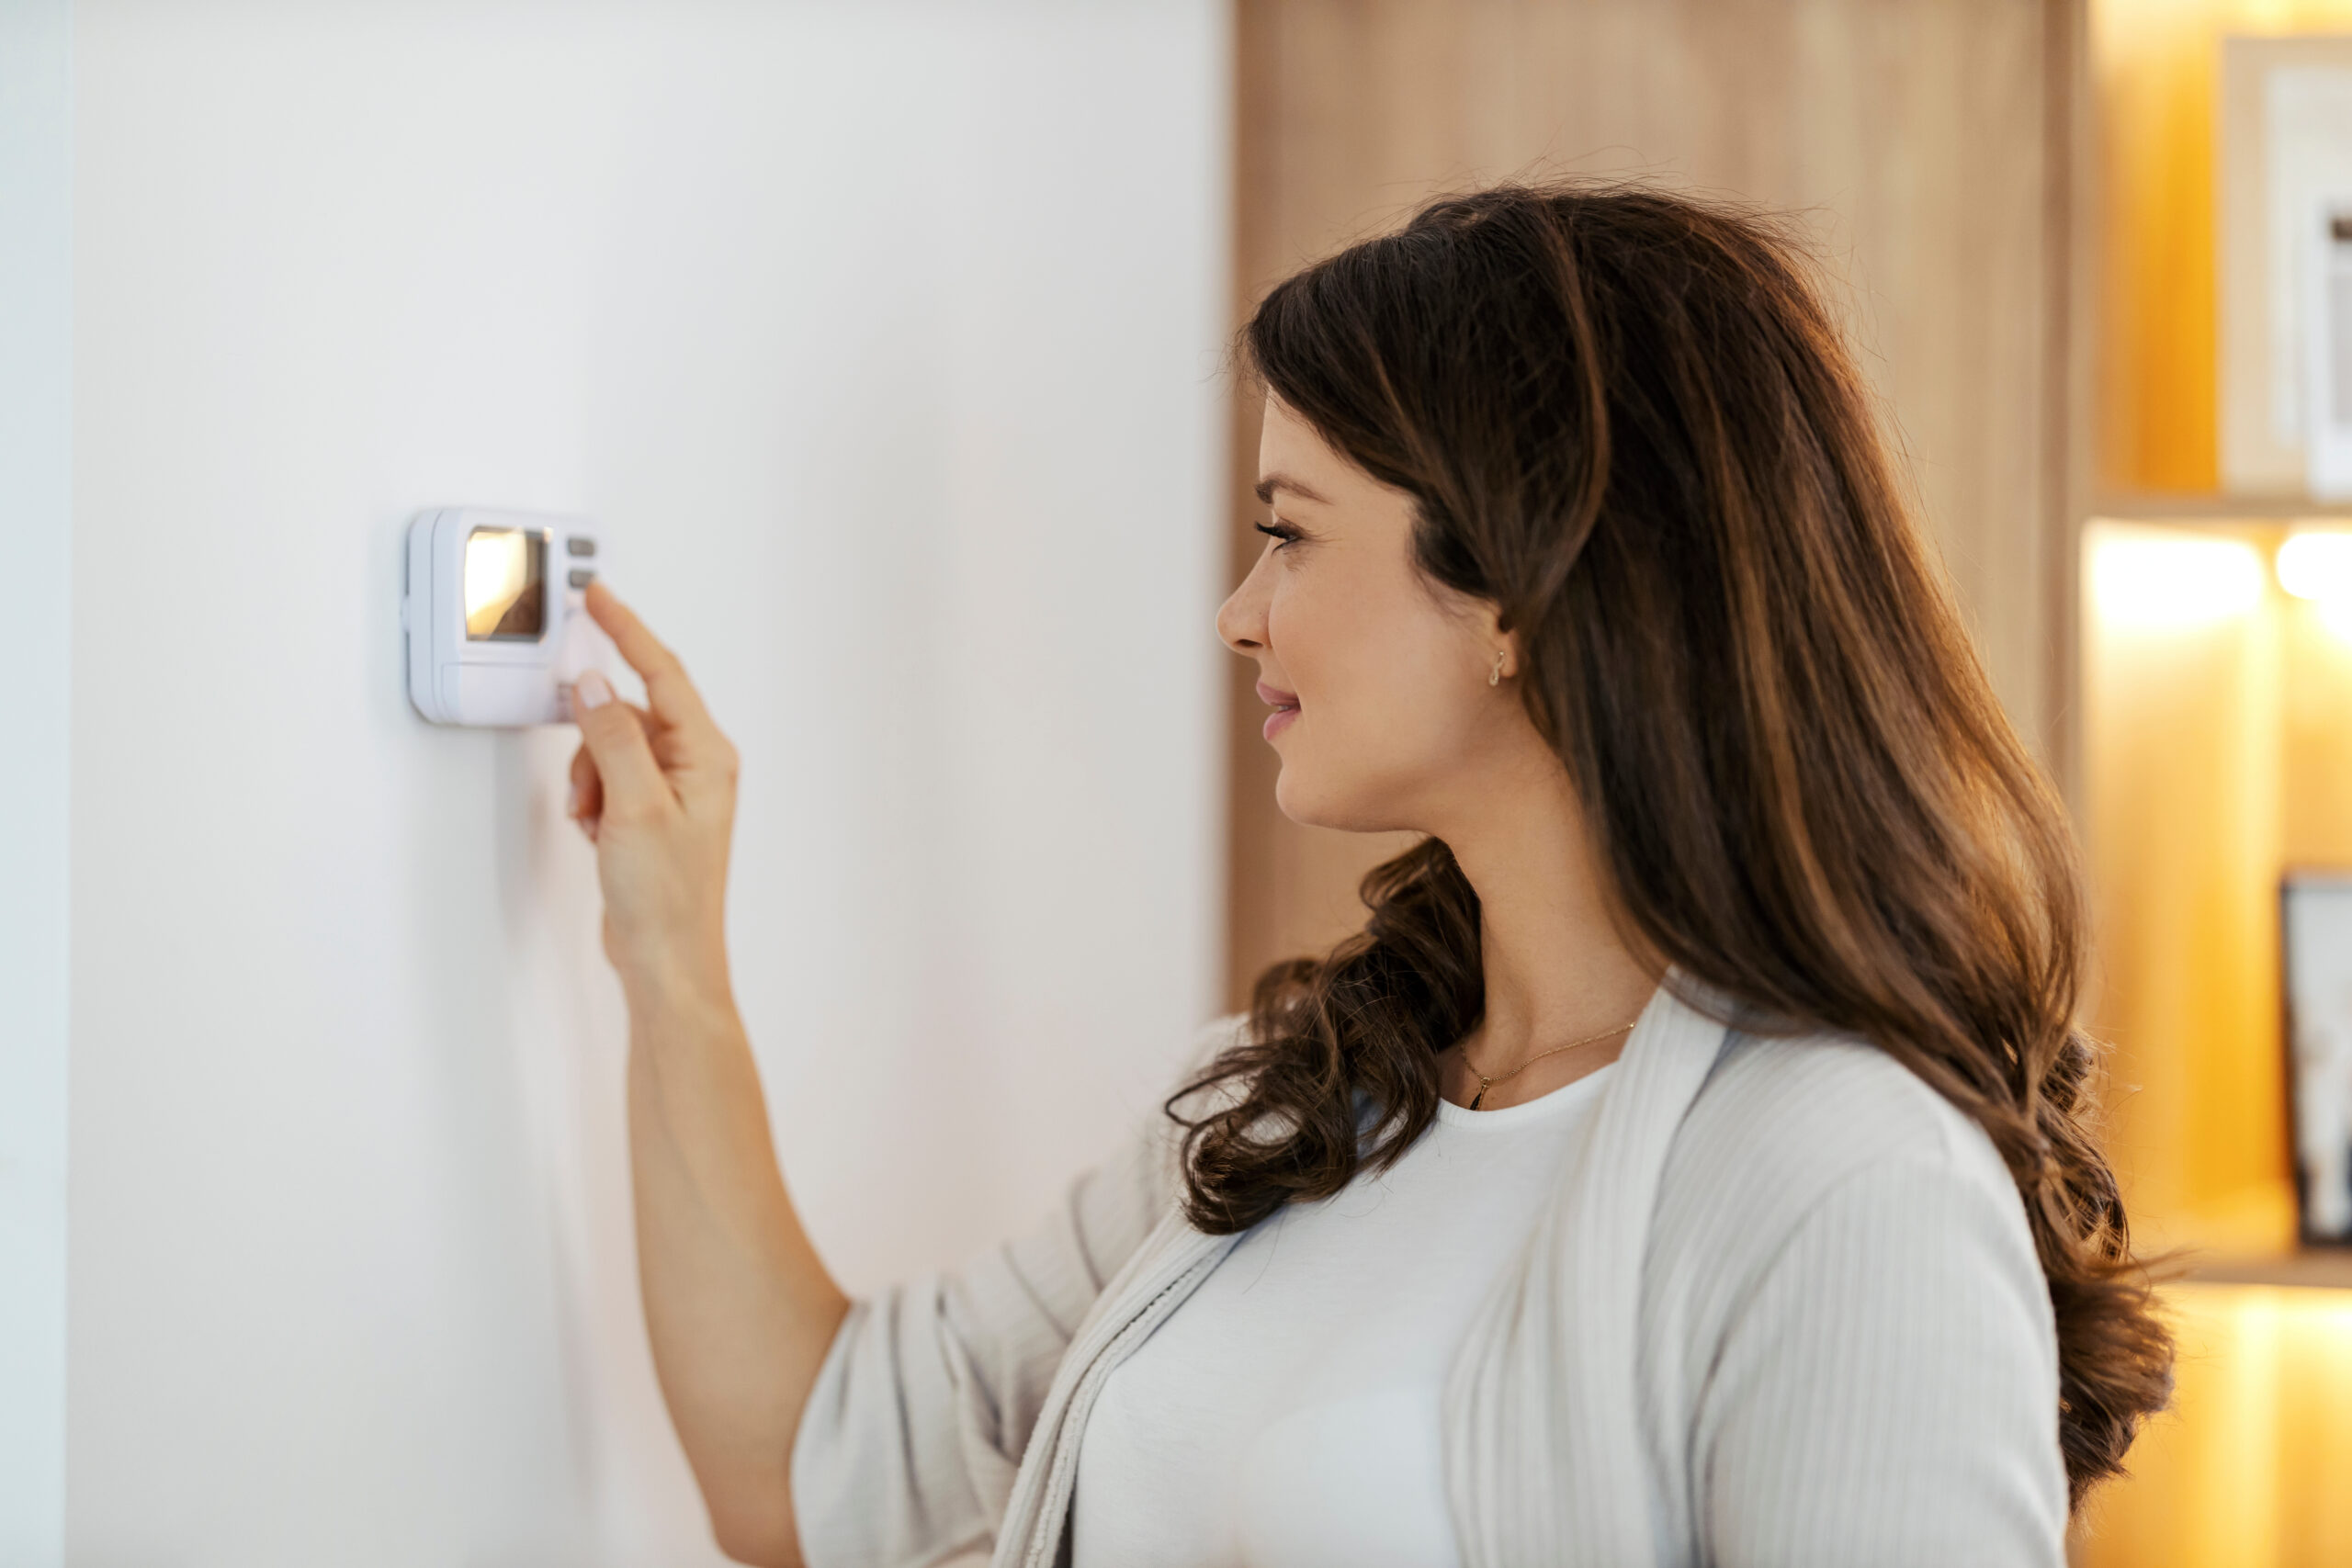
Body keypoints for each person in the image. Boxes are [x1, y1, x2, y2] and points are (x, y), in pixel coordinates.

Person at [562, 182, 2175, 1568]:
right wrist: (670, 952)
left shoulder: (1838, 1176)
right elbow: (805, 1467)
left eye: (1294, 532)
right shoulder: (1290, 1109)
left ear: (1522, 592)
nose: (1238, 611)